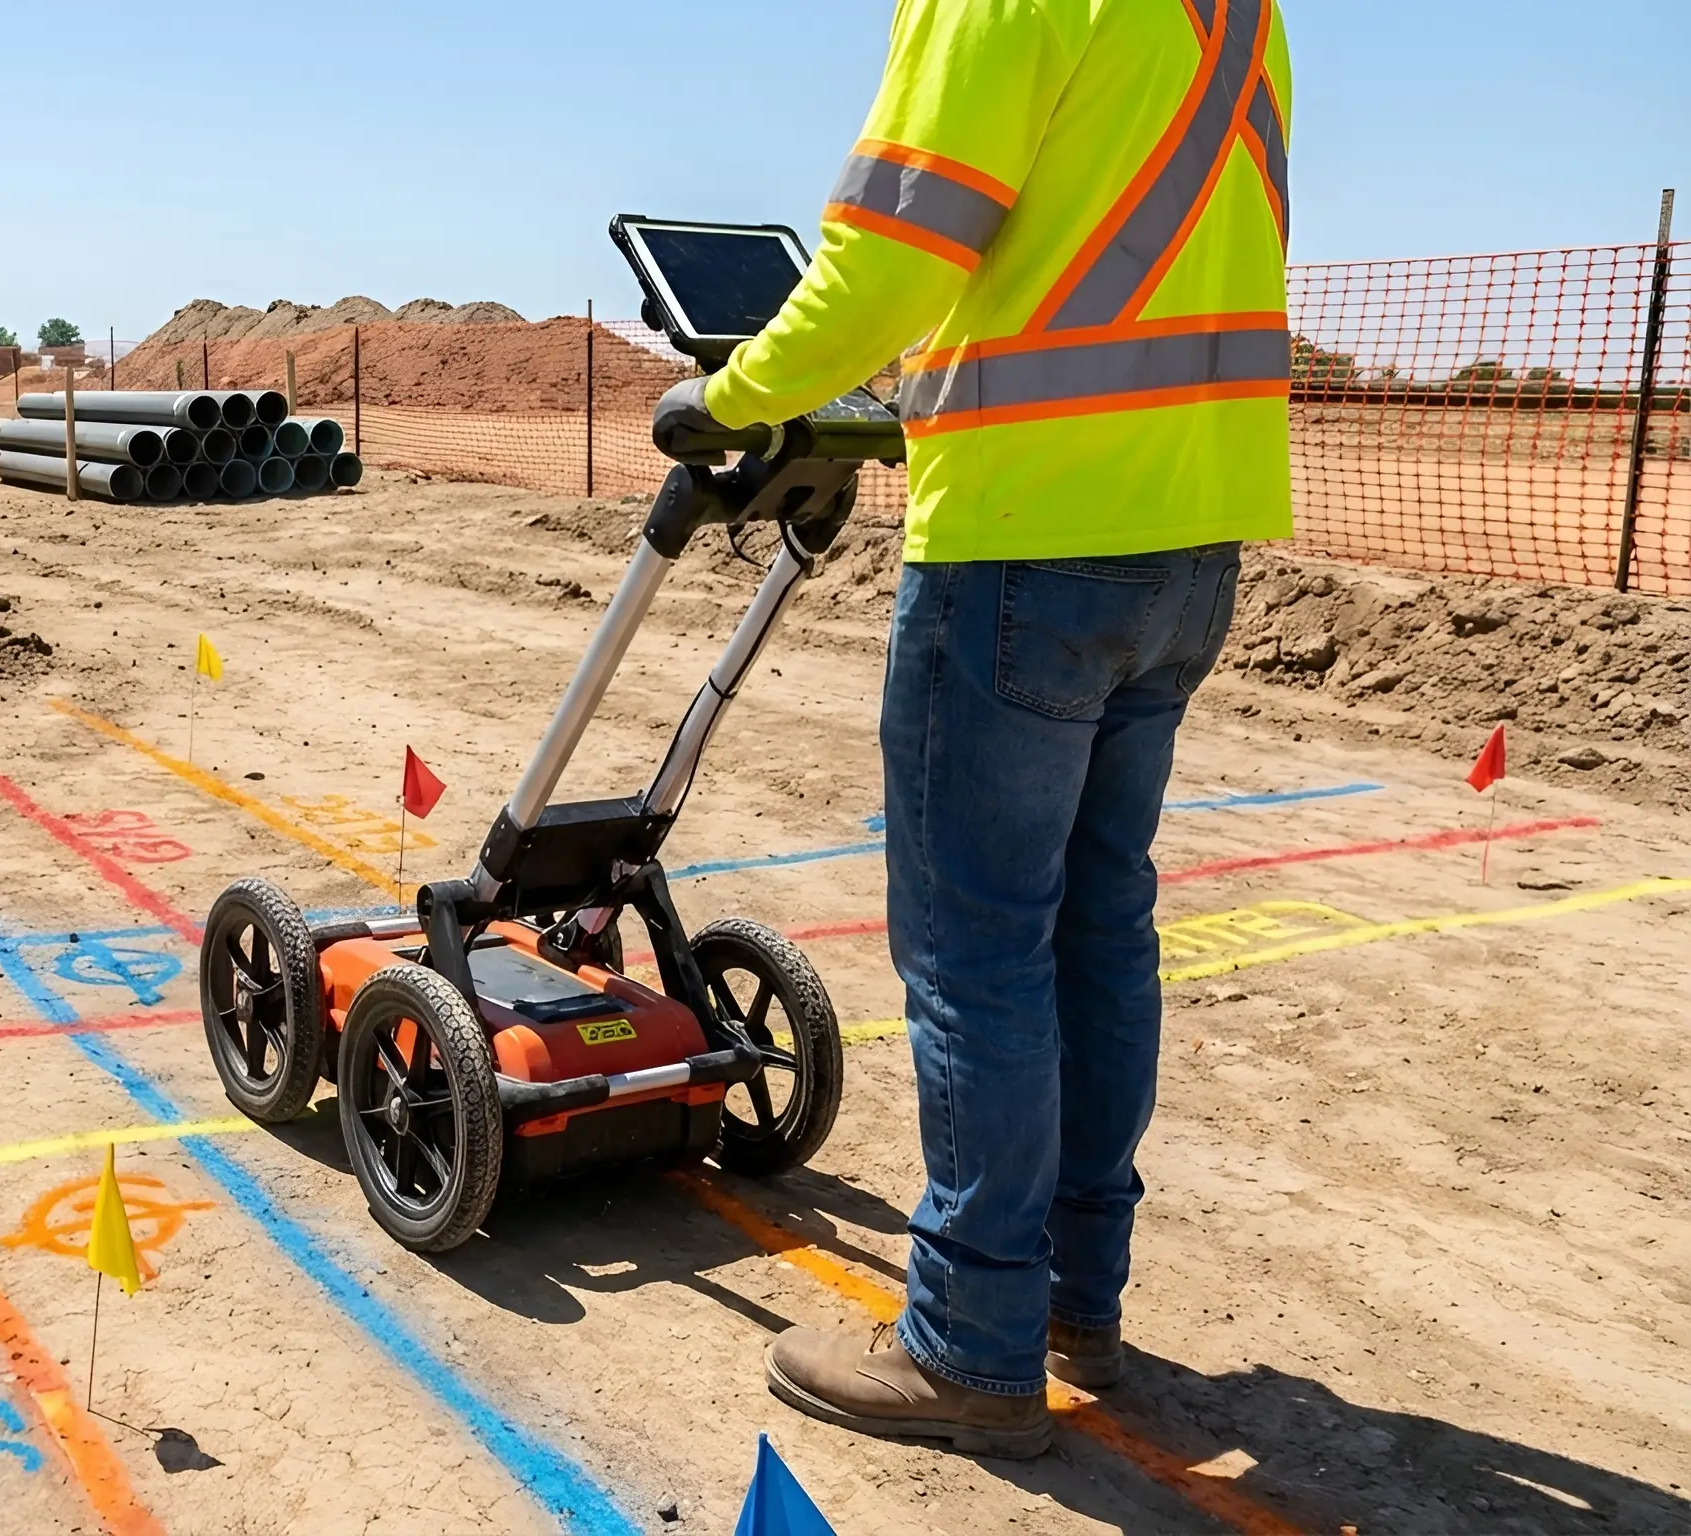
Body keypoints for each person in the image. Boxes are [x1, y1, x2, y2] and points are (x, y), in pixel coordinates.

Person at [652, 0, 1293, 1458]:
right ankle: (1077, 1293)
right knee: (1097, 925)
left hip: (1026, 536)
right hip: (1193, 539)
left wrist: (735, 393)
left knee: (976, 943)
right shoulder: (1240, 18)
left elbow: (893, 256)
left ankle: (967, 1345)